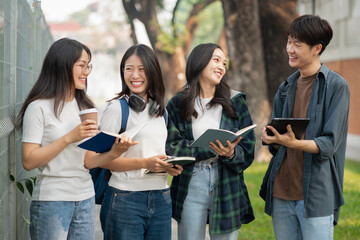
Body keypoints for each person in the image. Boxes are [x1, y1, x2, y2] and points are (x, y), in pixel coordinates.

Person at [17, 38, 134, 240]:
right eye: (81, 65)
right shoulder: (39, 107)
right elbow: (28, 161)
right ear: (62, 65)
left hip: (85, 199)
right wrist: (70, 137)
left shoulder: (85, 107)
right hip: (52, 201)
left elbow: (88, 161)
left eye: (88, 66)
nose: (86, 72)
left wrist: (114, 152)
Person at [260, 15, 350, 240]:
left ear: (316, 48)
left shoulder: (337, 87)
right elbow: (277, 144)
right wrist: (271, 138)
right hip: (281, 192)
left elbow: (329, 144)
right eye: (289, 41)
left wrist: (294, 143)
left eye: (297, 44)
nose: (289, 48)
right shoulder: (285, 87)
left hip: (316, 194)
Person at [88, 44, 182, 240]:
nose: (134, 75)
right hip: (124, 199)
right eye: (129, 68)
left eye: (141, 69)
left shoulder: (161, 112)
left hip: (161, 197)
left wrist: (168, 166)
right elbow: (100, 160)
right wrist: (144, 164)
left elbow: (154, 152)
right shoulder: (116, 109)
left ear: (153, 71)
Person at [166, 43, 256, 240]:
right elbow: (171, 146)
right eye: (216, 60)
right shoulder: (178, 103)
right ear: (199, 62)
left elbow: (248, 149)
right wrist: (208, 150)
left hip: (227, 179)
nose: (221, 66)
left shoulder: (236, 102)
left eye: (224, 63)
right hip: (192, 179)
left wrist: (231, 153)